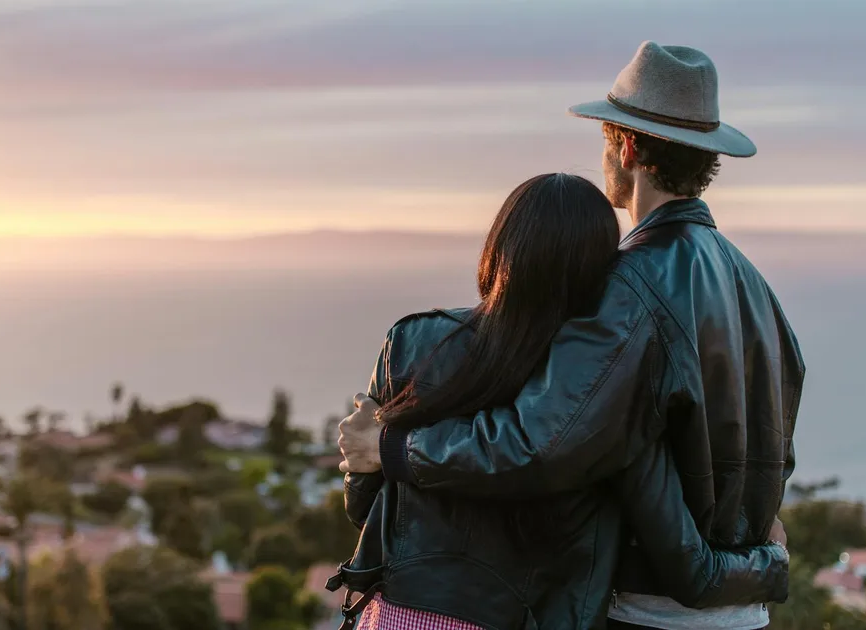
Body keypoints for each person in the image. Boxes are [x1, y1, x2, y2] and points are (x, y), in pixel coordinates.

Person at [338, 42, 804, 630]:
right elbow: (775, 451)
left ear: (627, 147)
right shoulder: (755, 287)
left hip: (652, 610)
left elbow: (540, 444)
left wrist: (390, 449)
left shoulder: (630, 288)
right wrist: (762, 562)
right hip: (742, 611)